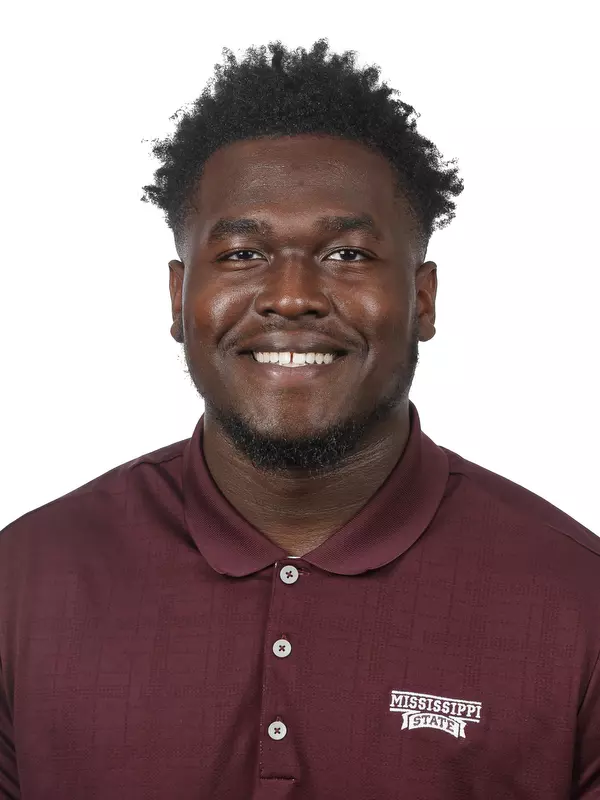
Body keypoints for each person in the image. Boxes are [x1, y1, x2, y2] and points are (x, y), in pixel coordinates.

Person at [0, 39, 598, 800]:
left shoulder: (576, 601)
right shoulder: (24, 580)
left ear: (422, 300)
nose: (291, 296)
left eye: (348, 254)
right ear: (179, 297)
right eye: (244, 253)